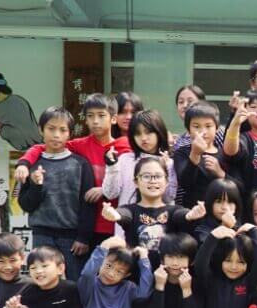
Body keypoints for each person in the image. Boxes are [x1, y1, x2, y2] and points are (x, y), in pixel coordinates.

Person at [16, 93, 130, 247]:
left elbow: (134, 181)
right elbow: (44, 147)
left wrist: (104, 190)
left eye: (101, 115)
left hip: (116, 223)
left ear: (113, 118)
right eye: (90, 116)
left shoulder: (126, 146)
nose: (95, 121)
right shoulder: (80, 145)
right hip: (85, 226)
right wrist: (24, 163)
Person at [17, 106, 96, 280]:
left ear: (70, 134)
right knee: (43, 281)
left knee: (74, 283)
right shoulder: (32, 163)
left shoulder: (81, 164)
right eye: (51, 129)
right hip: (42, 234)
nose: (56, 135)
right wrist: (36, 185)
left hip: (72, 236)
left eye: (62, 130)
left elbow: (88, 204)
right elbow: (26, 205)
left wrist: (83, 237)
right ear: (41, 130)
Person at [101, 156, 203, 256]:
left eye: (158, 176)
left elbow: (181, 214)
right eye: (146, 176)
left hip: (166, 266)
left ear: (166, 181)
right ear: (136, 182)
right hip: (137, 266)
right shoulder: (130, 210)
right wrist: (115, 214)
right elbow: (124, 214)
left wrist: (190, 215)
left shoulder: (174, 211)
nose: (153, 181)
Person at [102, 110, 180, 237]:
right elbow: (110, 193)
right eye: (138, 134)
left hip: (158, 233)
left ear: (159, 132)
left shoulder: (168, 162)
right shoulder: (125, 160)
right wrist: (111, 167)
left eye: (148, 132)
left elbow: (169, 197)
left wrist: (168, 169)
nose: (143, 138)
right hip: (126, 232)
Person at [173, 101, 227, 210]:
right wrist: (195, 154)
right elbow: (185, 183)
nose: (203, 131)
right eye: (196, 126)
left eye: (208, 126)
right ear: (188, 130)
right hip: (194, 210)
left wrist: (220, 173)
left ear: (216, 128)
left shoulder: (225, 154)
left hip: (221, 210)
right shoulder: (182, 152)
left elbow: (238, 184)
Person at [170, 84, 205, 151]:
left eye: (190, 101)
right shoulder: (178, 142)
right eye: (181, 102)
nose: (185, 105)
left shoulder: (217, 132)